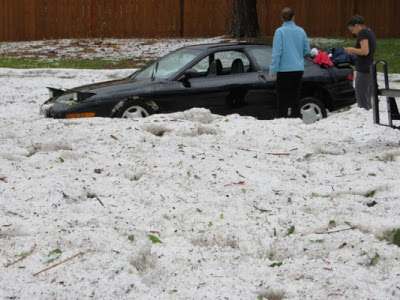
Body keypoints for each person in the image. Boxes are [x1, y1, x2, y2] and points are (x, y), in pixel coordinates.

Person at [269, 7, 310, 118]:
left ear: (282, 18)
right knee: (295, 96)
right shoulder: (301, 31)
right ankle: (295, 118)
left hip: (284, 70)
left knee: (282, 97)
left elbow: (277, 53)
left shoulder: (279, 32)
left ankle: (282, 119)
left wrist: (273, 70)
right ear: (293, 17)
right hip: (298, 68)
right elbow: (307, 50)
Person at [344, 15, 376, 110]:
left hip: (363, 69)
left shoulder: (362, 32)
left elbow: (365, 51)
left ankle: (365, 116)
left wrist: (352, 50)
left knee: (362, 99)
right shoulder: (370, 31)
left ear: (357, 25)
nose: (353, 33)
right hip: (369, 68)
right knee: (367, 98)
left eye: (352, 29)